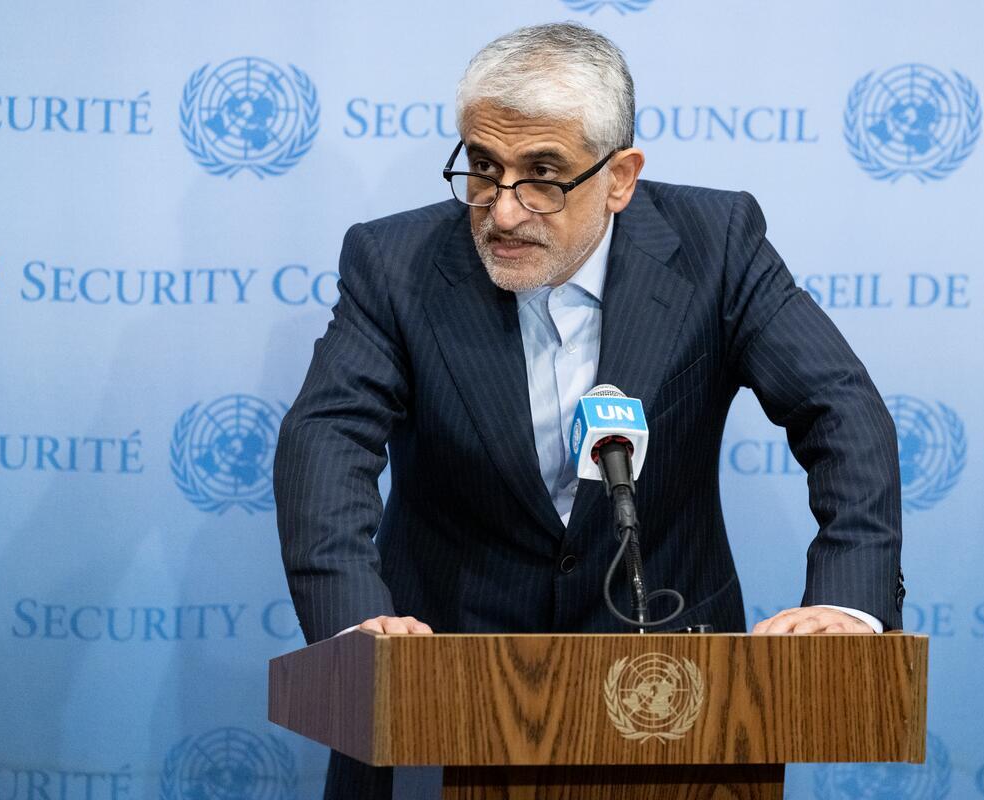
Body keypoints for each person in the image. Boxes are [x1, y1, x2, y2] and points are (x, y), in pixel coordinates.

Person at [274, 21, 903, 798]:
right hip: (436, 686)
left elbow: (839, 410)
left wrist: (847, 599)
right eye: (484, 168)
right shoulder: (393, 263)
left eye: (543, 175)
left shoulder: (718, 245)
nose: (503, 212)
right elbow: (327, 438)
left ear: (620, 178)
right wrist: (354, 625)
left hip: (671, 689)